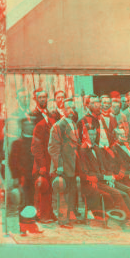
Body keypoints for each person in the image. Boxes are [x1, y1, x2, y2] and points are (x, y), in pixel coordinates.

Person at [83, 124, 130, 232]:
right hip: (95, 182)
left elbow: (106, 167)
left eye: (94, 134)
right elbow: (87, 173)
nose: (92, 136)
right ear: (85, 135)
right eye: (90, 134)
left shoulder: (98, 149)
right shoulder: (84, 150)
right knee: (121, 193)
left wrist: (109, 177)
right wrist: (107, 177)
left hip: (108, 179)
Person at [48, 98, 81, 229]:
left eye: (73, 108)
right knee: (63, 191)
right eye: (68, 108)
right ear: (62, 110)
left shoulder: (73, 124)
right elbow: (53, 148)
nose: (71, 111)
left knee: (71, 190)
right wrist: (59, 165)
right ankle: (62, 220)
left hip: (72, 164)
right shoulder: (57, 126)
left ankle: (69, 217)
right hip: (63, 165)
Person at [31, 113, 57, 223]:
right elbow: (36, 147)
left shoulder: (54, 125)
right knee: (43, 188)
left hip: (49, 164)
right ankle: (42, 215)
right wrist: (42, 165)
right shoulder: (40, 126)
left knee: (49, 189)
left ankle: (48, 213)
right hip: (42, 165)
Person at [9, 117, 36, 208]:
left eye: (31, 125)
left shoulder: (38, 142)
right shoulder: (17, 144)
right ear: (22, 127)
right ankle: (24, 219)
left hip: (35, 175)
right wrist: (15, 177)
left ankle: (32, 217)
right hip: (23, 176)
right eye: (27, 125)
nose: (30, 127)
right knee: (23, 199)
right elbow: (13, 162)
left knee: (34, 199)